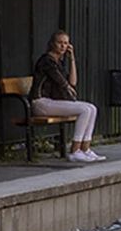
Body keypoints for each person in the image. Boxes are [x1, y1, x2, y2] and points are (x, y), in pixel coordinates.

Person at [31, 31, 103, 161]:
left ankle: (85, 148)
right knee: (85, 109)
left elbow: (73, 82)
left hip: (52, 103)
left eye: (65, 43)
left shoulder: (60, 62)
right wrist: (68, 88)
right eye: (59, 43)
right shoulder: (46, 60)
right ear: (52, 43)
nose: (63, 46)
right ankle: (75, 150)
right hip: (40, 103)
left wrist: (72, 58)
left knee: (92, 108)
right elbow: (60, 81)